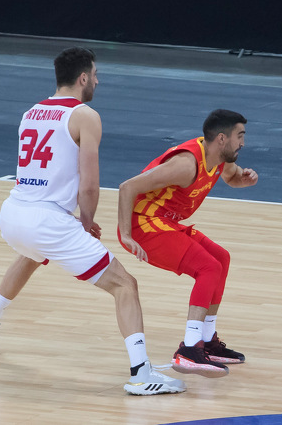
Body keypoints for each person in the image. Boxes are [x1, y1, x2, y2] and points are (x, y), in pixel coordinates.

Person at [0, 47, 185, 396]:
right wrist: (86, 221)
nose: (97, 81)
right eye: (95, 75)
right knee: (125, 285)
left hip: (12, 213)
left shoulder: (31, 112)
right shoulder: (85, 116)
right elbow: (89, 184)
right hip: (46, 220)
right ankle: (141, 373)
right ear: (83, 78)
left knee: (31, 255)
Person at [117, 109, 257, 378]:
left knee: (221, 258)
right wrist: (125, 234)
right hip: (144, 224)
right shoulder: (186, 164)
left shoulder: (220, 158)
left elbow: (231, 176)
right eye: (240, 136)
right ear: (222, 139)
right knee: (208, 267)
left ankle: (207, 340)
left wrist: (244, 180)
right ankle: (189, 349)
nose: (243, 142)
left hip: (165, 221)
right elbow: (127, 187)